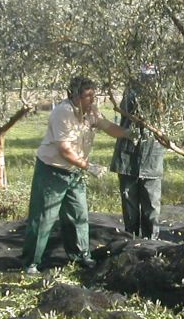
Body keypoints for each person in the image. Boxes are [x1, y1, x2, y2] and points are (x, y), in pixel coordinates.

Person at [22, 76, 138, 274]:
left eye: (94, 95)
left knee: (78, 214)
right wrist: (89, 166)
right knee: (44, 217)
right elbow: (64, 150)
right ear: (75, 96)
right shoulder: (63, 113)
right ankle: (31, 263)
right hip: (52, 171)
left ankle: (80, 256)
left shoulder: (91, 111)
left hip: (74, 172)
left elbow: (108, 127)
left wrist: (129, 133)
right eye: (88, 96)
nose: (92, 100)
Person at [109, 68, 165, 240]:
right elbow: (125, 110)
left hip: (152, 152)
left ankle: (151, 243)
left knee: (151, 203)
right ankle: (131, 241)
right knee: (129, 203)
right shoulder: (130, 91)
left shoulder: (162, 91)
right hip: (127, 153)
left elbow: (163, 113)